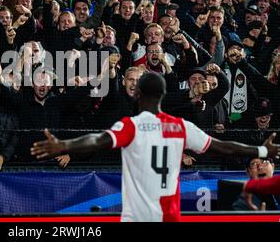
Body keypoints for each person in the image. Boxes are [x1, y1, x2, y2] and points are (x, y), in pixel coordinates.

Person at [31, 72, 280, 222]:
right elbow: (223, 147)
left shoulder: (132, 126)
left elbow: (96, 140)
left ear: (138, 93)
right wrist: (261, 151)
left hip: (137, 217)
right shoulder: (181, 127)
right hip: (170, 216)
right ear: (163, 96)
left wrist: (63, 145)